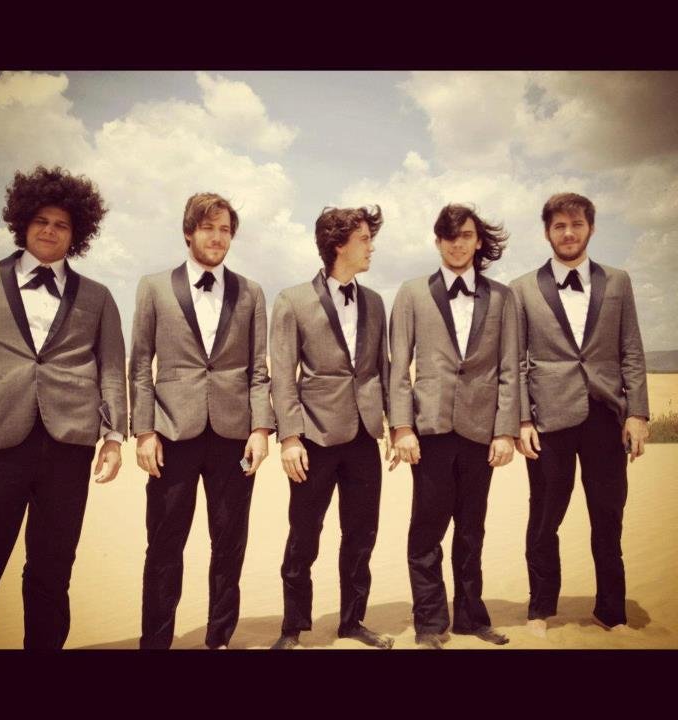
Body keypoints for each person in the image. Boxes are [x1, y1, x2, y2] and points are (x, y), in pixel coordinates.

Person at [0, 165, 127, 649]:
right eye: (41, 221)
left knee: (52, 573)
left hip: (68, 449)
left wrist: (114, 437)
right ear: (23, 222)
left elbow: (111, 369)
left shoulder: (98, 296)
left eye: (62, 224)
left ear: (77, 233)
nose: (50, 231)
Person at [130, 192, 274, 650]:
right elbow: (140, 366)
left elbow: (258, 370)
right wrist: (145, 431)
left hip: (235, 440)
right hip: (172, 435)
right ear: (189, 232)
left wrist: (260, 430)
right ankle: (155, 643)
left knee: (230, 544)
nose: (217, 237)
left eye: (225, 229)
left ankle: (219, 639)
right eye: (208, 228)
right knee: (164, 545)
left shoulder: (252, 292)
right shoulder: (153, 287)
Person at [510, 192, 650, 637]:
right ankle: (540, 609)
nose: (568, 233)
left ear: (590, 228)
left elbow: (631, 350)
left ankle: (612, 611)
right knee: (544, 518)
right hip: (548, 420)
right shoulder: (521, 288)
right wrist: (523, 420)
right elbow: (516, 361)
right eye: (559, 226)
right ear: (547, 232)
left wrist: (638, 413)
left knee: (608, 516)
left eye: (576, 224)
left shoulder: (619, 282)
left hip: (606, 416)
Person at [389, 203, 519, 649]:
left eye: (465, 235)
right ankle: (429, 623)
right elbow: (398, 368)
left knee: (471, 530)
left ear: (478, 240)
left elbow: (509, 368)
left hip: (481, 432)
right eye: (449, 236)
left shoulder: (502, 297)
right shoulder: (411, 292)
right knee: (426, 530)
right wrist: (401, 427)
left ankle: (470, 618)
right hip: (429, 432)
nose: (457, 244)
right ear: (438, 241)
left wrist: (505, 430)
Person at [269, 205, 393, 650]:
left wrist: (396, 426)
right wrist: (289, 437)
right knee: (304, 537)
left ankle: (352, 621)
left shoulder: (375, 301)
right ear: (338, 244)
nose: (371, 247)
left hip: (364, 437)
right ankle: (292, 627)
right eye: (364, 239)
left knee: (361, 536)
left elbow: (383, 369)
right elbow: (283, 375)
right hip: (314, 439)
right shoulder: (292, 300)